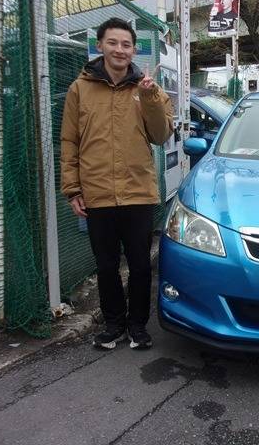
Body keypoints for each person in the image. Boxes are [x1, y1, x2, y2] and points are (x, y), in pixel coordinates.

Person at [60, 17, 173, 350]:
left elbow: (161, 135)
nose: (119, 49)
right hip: (97, 194)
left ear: (134, 50)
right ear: (100, 46)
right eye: (113, 42)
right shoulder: (80, 89)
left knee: (140, 265)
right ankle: (114, 325)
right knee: (106, 266)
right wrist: (73, 189)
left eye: (126, 44)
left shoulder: (148, 89)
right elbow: (69, 141)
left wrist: (149, 98)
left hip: (137, 192)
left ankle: (137, 326)